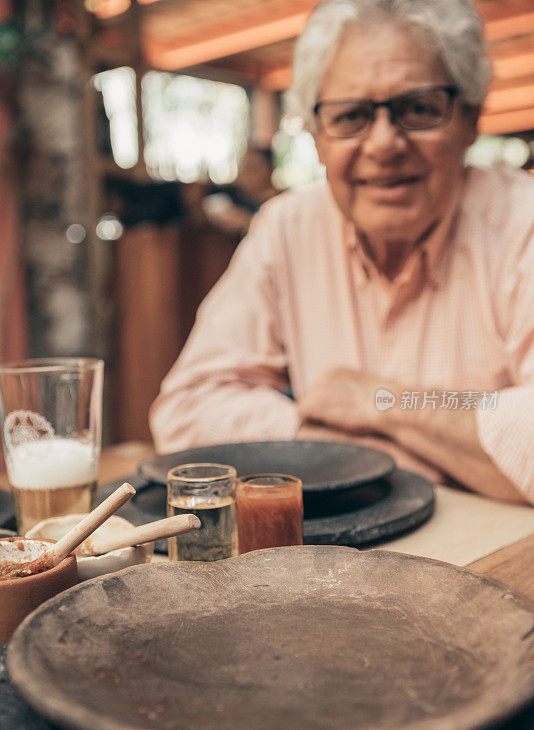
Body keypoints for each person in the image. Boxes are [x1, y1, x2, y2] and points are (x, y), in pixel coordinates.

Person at [150, 0, 534, 505]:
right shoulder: (286, 229)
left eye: (419, 109)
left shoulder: (522, 223)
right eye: (351, 116)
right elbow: (186, 410)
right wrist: (347, 445)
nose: (383, 143)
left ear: (470, 118)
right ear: (316, 139)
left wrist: (380, 403)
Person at [202, 145, 279, 236]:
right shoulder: (239, 199)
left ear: (268, 169)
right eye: (242, 168)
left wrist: (248, 222)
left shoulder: (285, 203)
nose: (243, 175)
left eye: (250, 167)